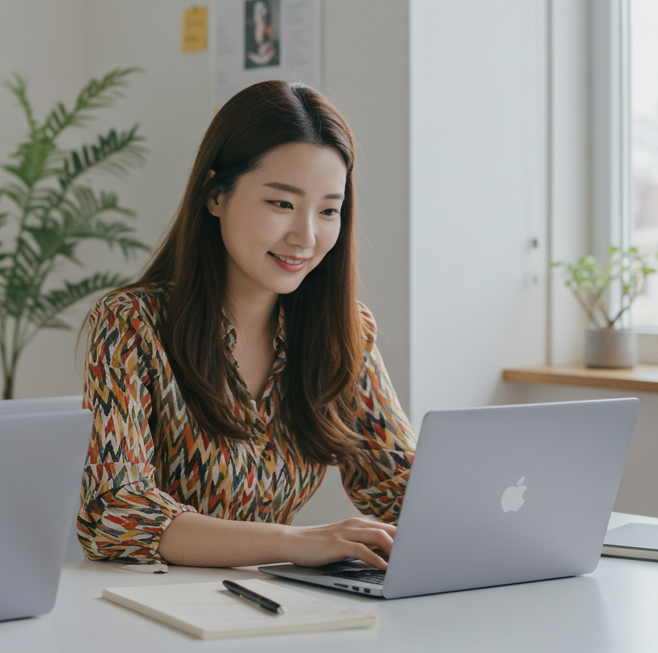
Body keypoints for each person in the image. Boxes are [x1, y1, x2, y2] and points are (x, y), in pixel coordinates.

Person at [77, 80, 415, 570]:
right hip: (153, 607)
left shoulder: (344, 332)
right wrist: (296, 542)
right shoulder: (132, 325)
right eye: (282, 204)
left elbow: (397, 482)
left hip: (275, 603)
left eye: (328, 210)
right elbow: (114, 512)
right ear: (216, 195)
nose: (306, 236)